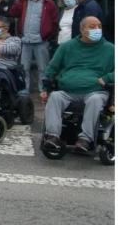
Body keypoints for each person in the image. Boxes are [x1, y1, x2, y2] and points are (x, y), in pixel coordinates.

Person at [41, 17, 115, 154]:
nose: (97, 30)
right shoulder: (67, 47)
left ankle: (85, 139)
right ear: (82, 29)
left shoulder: (110, 49)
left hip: (95, 91)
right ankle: (52, 136)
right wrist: (45, 87)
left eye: (99, 26)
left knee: (95, 100)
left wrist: (107, 78)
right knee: (55, 97)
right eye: (92, 27)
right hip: (68, 90)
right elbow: (52, 68)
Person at [8, 0, 58, 96]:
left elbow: (55, 21)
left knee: (43, 67)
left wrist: (48, 35)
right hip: (25, 40)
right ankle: (25, 89)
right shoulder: (24, 1)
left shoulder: (48, 3)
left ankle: (43, 90)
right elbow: (12, 13)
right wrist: (19, 0)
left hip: (41, 40)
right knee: (24, 67)